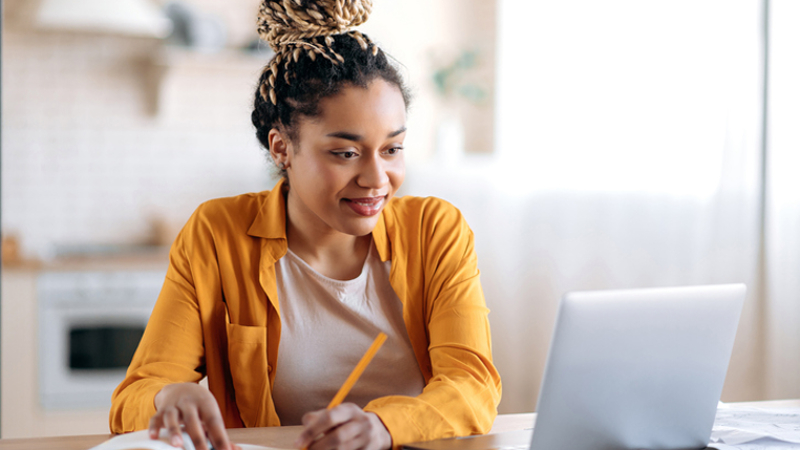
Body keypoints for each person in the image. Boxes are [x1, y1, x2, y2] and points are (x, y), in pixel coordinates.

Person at [109, 1, 502, 450]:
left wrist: (384, 427)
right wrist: (166, 397)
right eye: (345, 153)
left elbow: (473, 386)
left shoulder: (436, 230)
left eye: (392, 149)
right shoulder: (217, 234)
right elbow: (131, 399)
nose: (377, 180)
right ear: (282, 148)